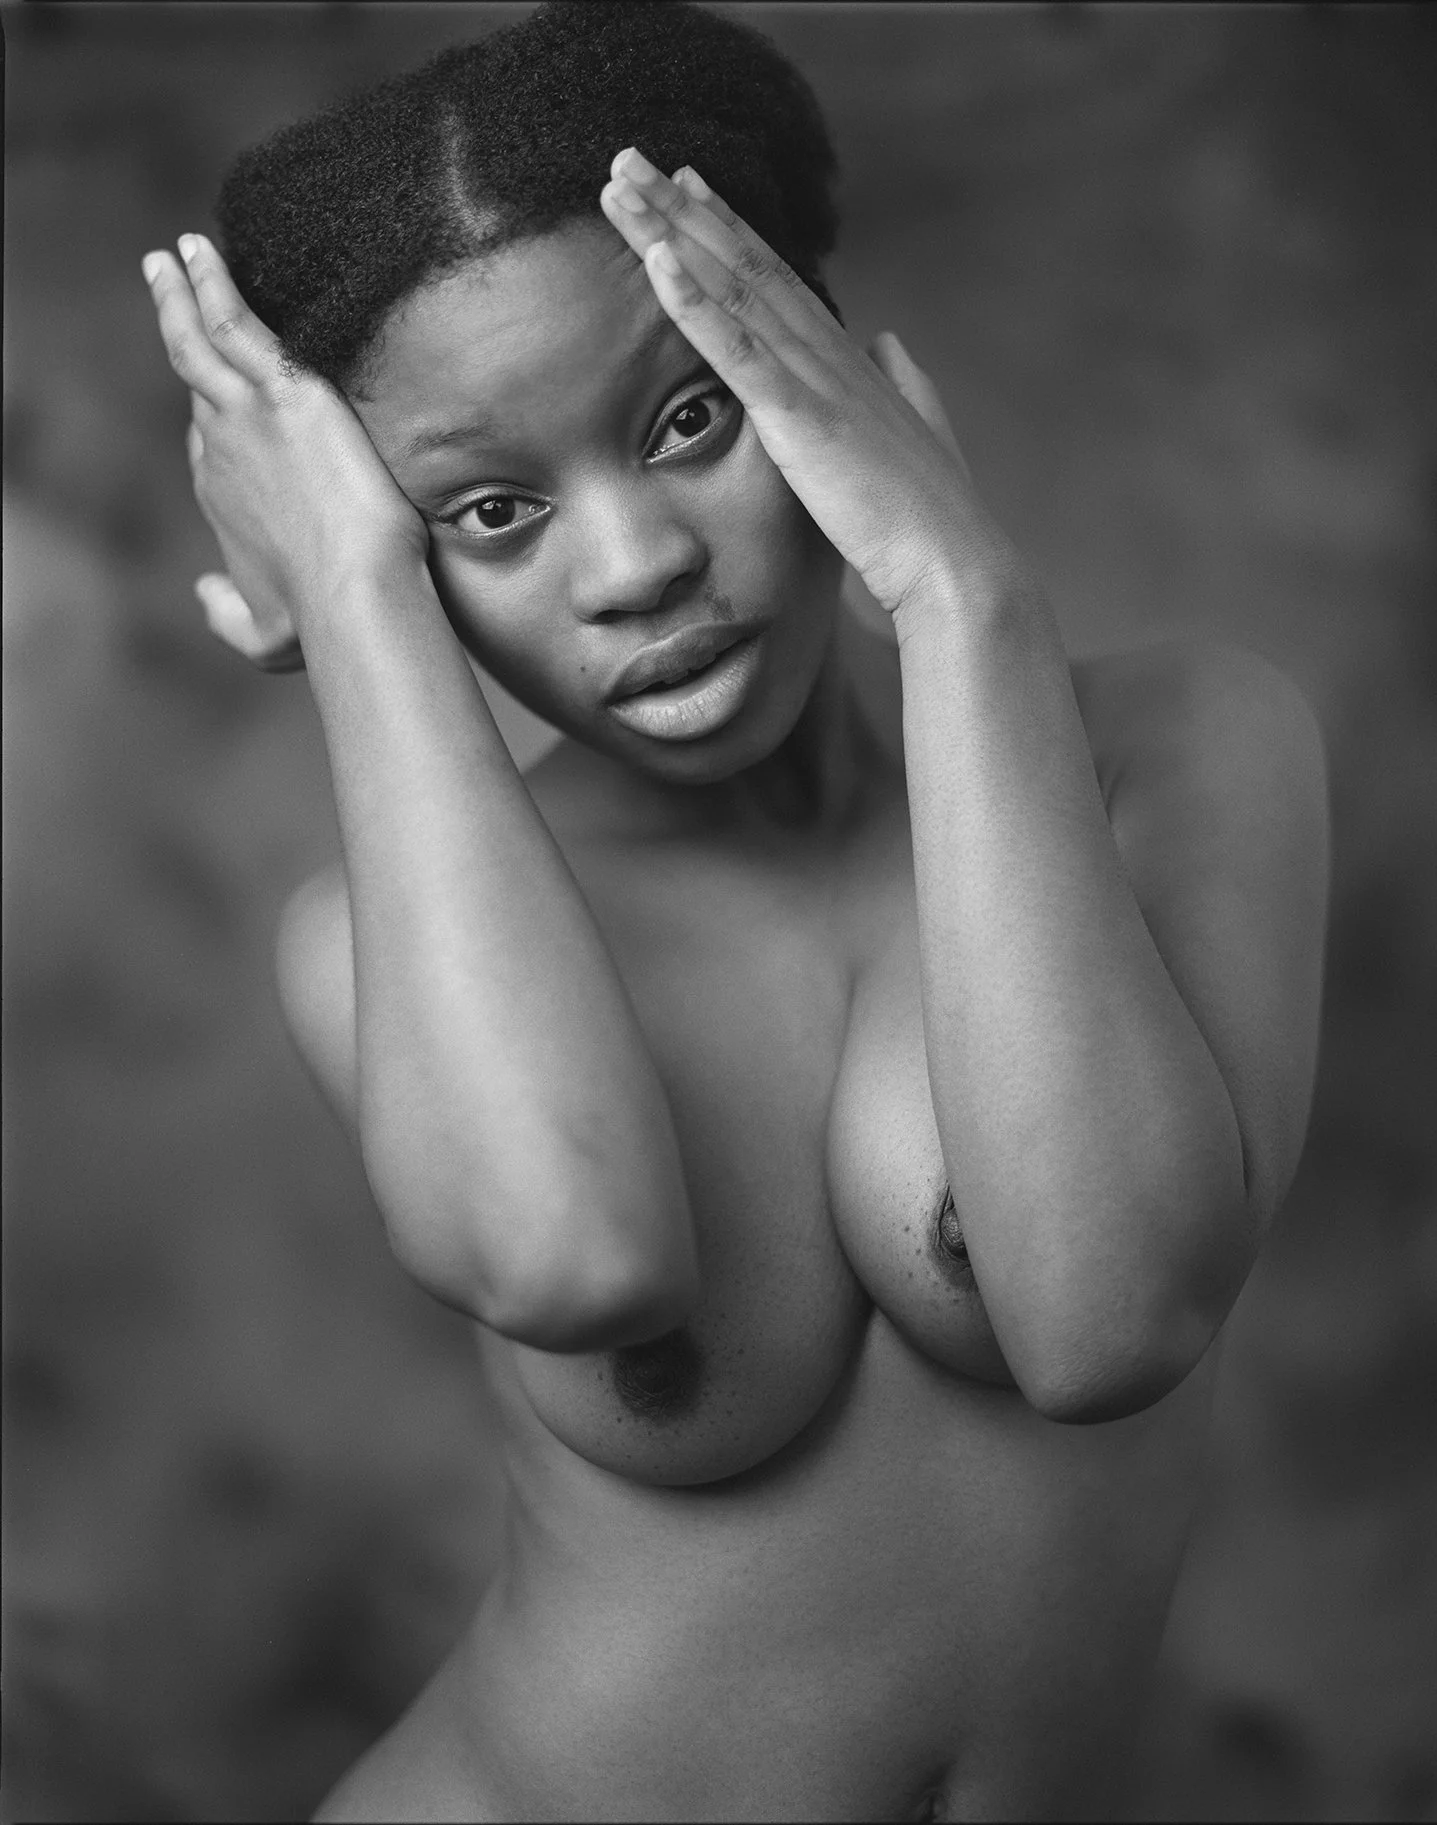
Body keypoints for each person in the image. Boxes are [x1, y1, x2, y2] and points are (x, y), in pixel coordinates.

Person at [140, 4, 1330, 1818]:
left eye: (691, 416)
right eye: (487, 513)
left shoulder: (1183, 753)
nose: (636, 571)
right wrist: (365, 615)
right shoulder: (377, 944)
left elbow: (1110, 1321)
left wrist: (957, 595)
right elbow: (571, 1256)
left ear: (823, 362)